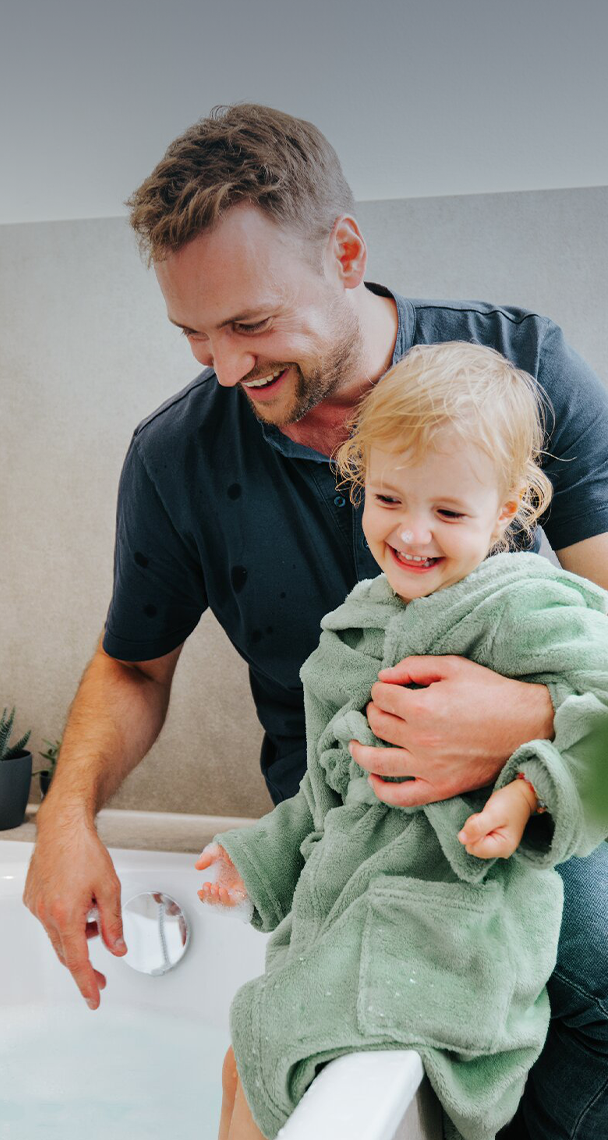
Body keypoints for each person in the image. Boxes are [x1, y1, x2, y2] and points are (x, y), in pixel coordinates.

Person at [23, 104, 608, 1138]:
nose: (224, 368)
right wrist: (65, 823)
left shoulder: (518, 374)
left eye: (248, 325)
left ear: (343, 252)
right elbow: (133, 667)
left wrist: (517, 717)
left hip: (532, 824)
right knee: (261, 1053)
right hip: (338, 831)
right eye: (193, 334)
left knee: (591, 974)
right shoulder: (176, 457)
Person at [194, 342, 608, 1140]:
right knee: (240, 1061)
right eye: (388, 498)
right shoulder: (360, 623)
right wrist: (256, 857)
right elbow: (328, 789)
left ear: (512, 505)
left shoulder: (525, 608)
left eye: (450, 513)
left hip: (448, 937)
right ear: (358, 476)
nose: (413, 533)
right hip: (349, 922)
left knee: (268, 1073)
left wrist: (530, 789)